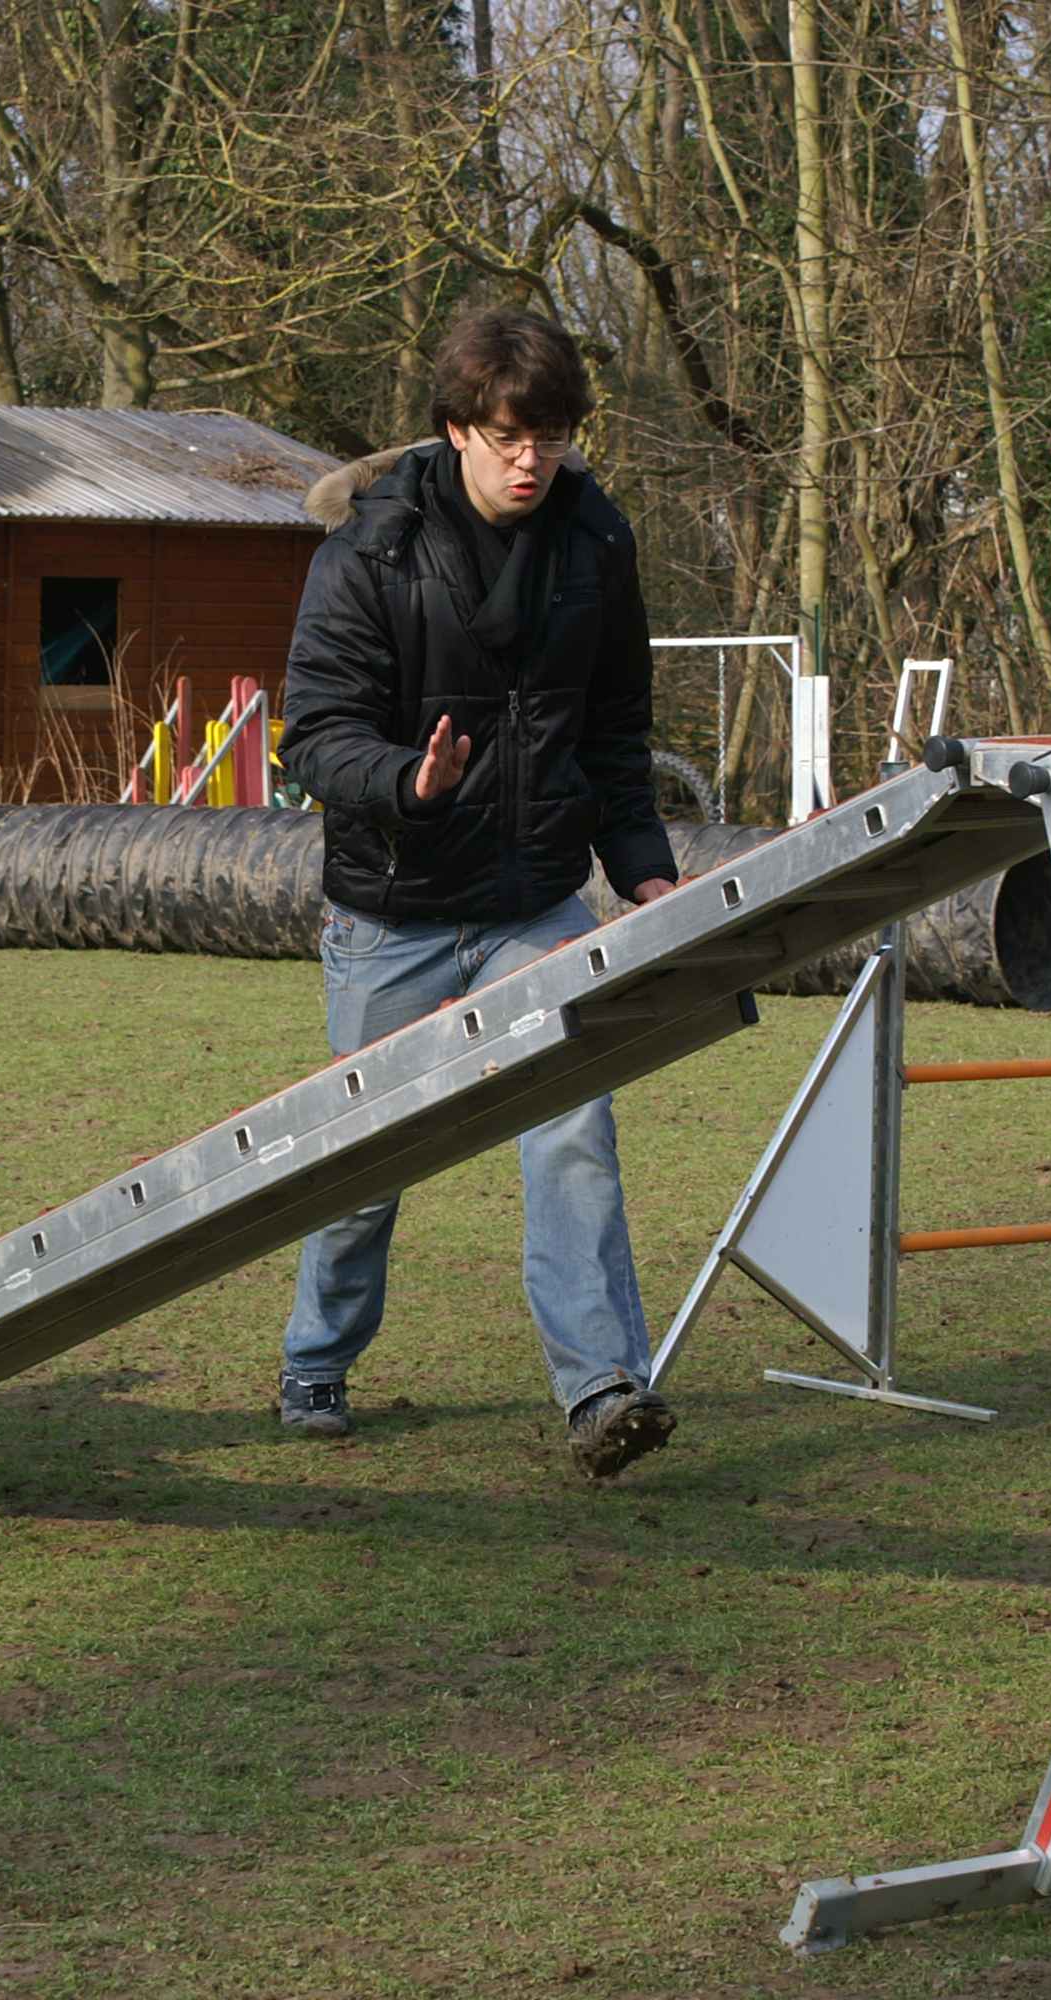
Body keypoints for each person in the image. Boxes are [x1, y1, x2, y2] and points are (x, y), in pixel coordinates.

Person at [272, 306, 681, 1481]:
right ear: (456, 429)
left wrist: (643, 865)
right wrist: (408, 778)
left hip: (535, 904)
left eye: (550, 435)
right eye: (508, 436)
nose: (531, 459)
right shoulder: (369, 552)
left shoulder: (596, 543)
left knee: (572, 1128)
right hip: (390, 910)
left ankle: (601, 1388)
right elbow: (315, 736)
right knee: (363, 1161)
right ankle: (315, 1359)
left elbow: (614, 731)